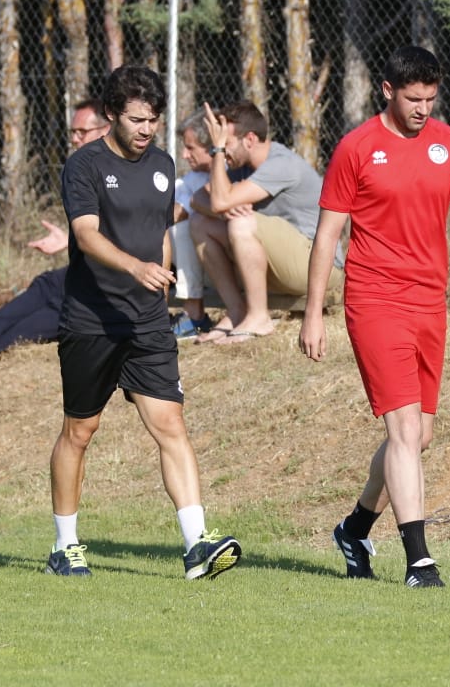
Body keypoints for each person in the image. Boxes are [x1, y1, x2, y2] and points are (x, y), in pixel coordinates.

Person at [299, 47, 450, 589]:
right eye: (413, 99)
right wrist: (314, 313)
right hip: (374, 299)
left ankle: (355, 527)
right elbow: (327, 236)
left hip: (429, 301)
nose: (423, 109)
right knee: (404, 429)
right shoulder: (357, 149)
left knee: (419, 436)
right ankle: (419, 561)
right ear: (386, 90)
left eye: (431, 99)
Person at [45, 65, 240, 580]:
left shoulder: (161, 164)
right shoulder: (83, 165)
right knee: (80, 431)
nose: (145, 129)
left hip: (148, 323)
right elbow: (86, 235)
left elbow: (156, 228)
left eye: (152, 119)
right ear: (112, 114)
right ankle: (65, 546)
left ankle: (196, 544)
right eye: (136, 119)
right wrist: (136, 267)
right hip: (92, 320)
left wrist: (166, 272)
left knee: (170, 424)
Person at [0, 101, 109, 367]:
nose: (74, 138)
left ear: (105, 130)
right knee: (49, 283)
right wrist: (69, 240)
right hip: (93, 269)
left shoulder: (120, 171)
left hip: (117, 279)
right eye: (72, 131)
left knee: (65, 306)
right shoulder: (82, 171)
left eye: (81, 131)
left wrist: (81, 241)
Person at [190, 100, 341, 344]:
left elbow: (218, 201)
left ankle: (259, 317)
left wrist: (217, 151)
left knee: (242, 223)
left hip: (317, 265)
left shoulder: (280, 163)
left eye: (226, 143)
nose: (221, 151)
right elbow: (198, 198)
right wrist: (225, 212)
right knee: (200, 223)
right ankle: (237, 312)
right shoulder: (243, 166)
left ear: (249, 140)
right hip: (284, 265)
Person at [169, 112, 216, 340]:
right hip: (203, 260)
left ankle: (194, 315)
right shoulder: (193, 178)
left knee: (181, 229)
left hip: (222, 255)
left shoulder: (228, 172)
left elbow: (180, 213)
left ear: (210, 147)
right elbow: (172, 209)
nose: (183, 155)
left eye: (190, 148)